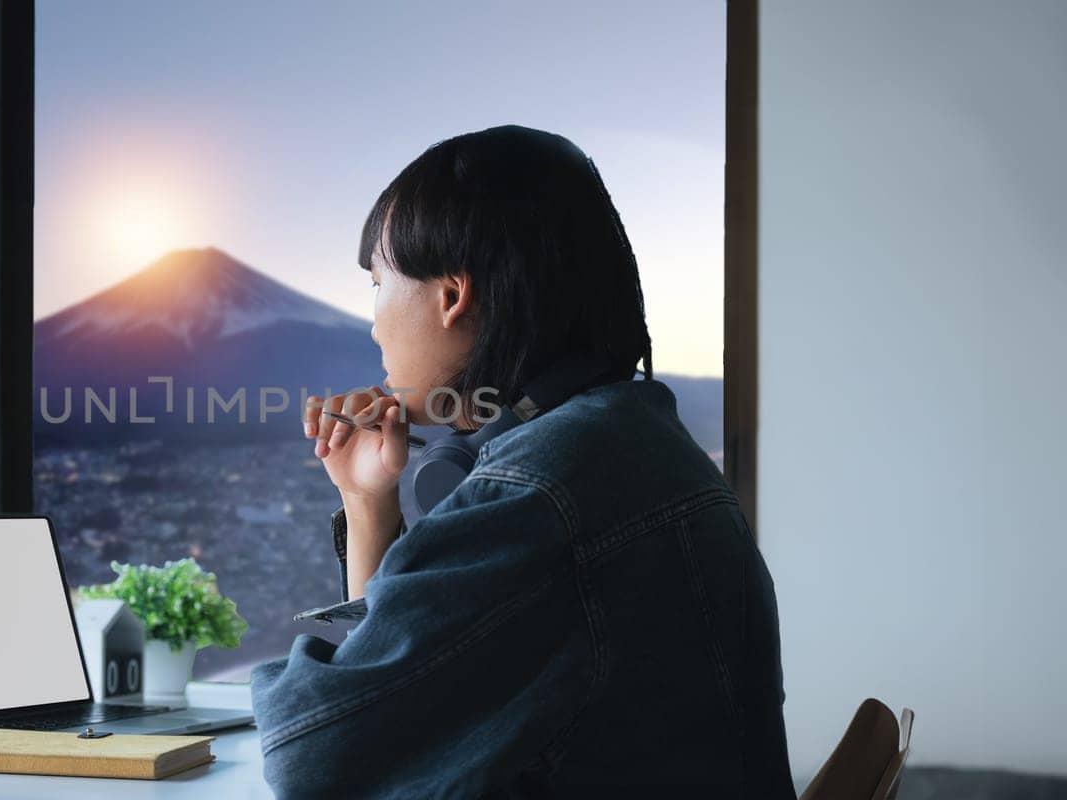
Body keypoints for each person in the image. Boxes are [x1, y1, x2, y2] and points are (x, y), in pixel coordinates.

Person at [248, 125, 796, 798]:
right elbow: (382, 709)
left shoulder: (542, 494)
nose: (372, 324)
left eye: (376, 283)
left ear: (450, 296)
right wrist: (369, 504)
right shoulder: (627, 437)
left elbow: (313, 752)